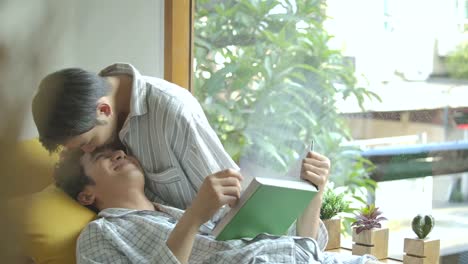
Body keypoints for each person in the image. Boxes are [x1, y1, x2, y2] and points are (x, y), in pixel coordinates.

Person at [54, 146, 377, 264]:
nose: (118, 154)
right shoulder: (100, 235)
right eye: (103, 158)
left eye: (119, 151)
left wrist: (314, 192)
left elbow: (307, 247)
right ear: (86, 195)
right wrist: (196, 216)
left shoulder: (171, 210)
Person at [32, 63, 238, 209]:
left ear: (104, 110)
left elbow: (229, 198)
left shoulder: (172, 112)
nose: (87, 151)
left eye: (88, 143)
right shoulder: (83, 113)